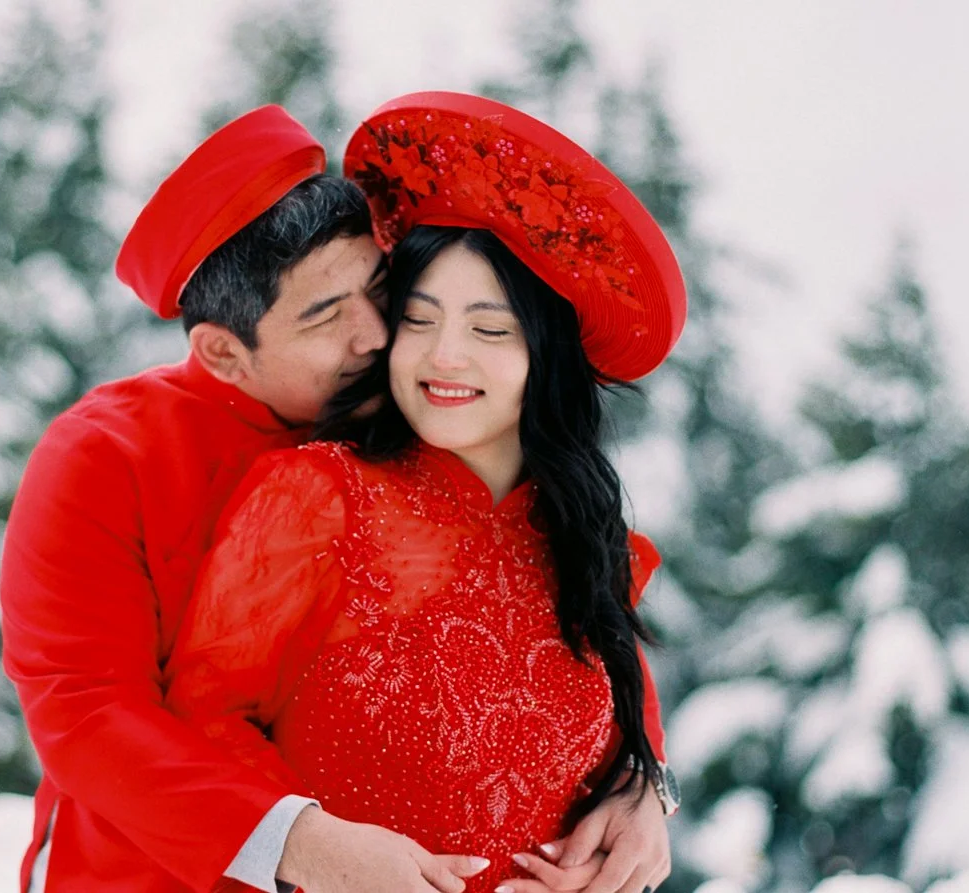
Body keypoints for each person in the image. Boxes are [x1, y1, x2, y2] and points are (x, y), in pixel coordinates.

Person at [164, 92, 688, 893]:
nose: (445, 357)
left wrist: (647, 799)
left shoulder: (585, 541)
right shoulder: (316, 494)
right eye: (418, 318)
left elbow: (621, 751)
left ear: (544, 356)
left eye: (489, 329)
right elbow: (200, 722)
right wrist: (311, 844)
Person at [0, 105, 394, 892]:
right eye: (325, 316)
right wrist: (300, 841)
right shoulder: (102, 456)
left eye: (380, 289)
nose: (376, 336)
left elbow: (541, 585)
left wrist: (639, 775)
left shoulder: (413, 408)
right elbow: (86, 712)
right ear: (223, 352)